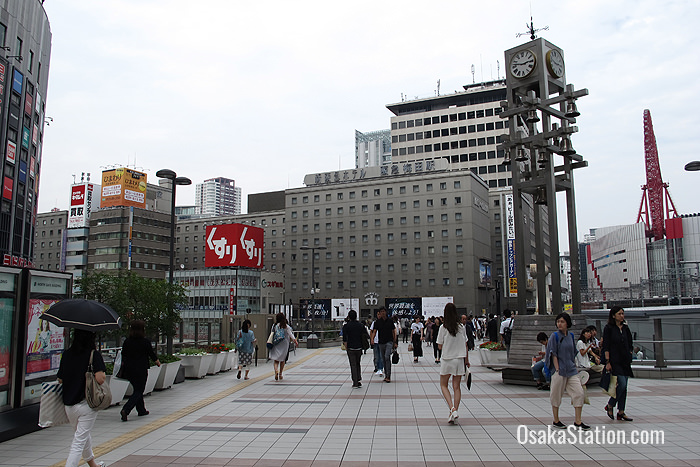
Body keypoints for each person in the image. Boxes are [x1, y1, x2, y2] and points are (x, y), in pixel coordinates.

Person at [56, 329, 108, 467]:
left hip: (69, 405)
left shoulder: (67, 354)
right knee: (79, 441)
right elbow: (100, 379)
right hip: (87, 404)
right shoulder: (93, 355)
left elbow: (60, 379)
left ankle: (93, 465)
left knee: (82, 436)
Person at [545, 312, 590, 431]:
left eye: (562, 321)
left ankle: (578, 421)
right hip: (559, 370)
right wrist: (557, 368)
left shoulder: (570, 336)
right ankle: (556, 420)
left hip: (571, 369)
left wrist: (575, 366)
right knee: (556, 394)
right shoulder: (554, 336)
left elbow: (573, 352)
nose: (560, 324)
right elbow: (552, 353)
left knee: (579, 393)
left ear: (567, 323)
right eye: (558, 321)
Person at [119, 320, 160, 422]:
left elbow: (123, 354)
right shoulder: (145, 341)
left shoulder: (127, 341)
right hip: (141, 369)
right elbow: (150, 353)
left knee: (137, 389)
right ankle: (126, 409)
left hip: (129, 369)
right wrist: (157, 361)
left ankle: (141, 410)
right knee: (139, 390)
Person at [436, 303, 469, 424]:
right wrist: (467, 360)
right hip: (459, 359)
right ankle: (454, 411)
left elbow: (439, 346)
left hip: (447, 359)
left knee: (443, 385)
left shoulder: (443, 328)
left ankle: (452, 409)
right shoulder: (461, 327)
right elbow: (466, 344)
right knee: (457, 387)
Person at [603, 305, 634, 422]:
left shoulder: (625, 328)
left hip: (625, 360)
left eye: (623, 313)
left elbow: (630, 342)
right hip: (615, 361)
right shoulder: (609, 328)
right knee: (622, 384)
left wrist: (630, 352)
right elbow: (606, 345)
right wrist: (608, 361)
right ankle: (610, 404)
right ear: (613, 315)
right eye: (619, 314)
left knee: (624, 387)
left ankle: (621, 411)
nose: (622, 316)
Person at [342, 309, 369, 388]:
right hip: (359, 347)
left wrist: (346, 347)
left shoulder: (346, 326)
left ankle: (355, 381)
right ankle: (358, 378)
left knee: (353, 364)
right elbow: (365, 335)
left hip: (350, 347)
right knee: (358, 363)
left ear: (349, 317)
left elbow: (344, 339)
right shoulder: (360, 325)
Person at [269, 312, 298, 381]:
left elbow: (272, 333)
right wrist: (295, 341)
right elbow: (290, 334)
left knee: (276, 359)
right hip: (285, 343)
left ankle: (276, 370)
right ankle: (280, 373)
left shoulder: (275, 325)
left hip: (277, 343)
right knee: (283, 359)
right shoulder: (286, 326)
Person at [374, 307, 397, 383]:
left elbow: (393, 331)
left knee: (387, 357)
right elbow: (374, 331)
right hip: (381, 342)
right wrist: (372, 339)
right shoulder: (378, 322)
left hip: (389, 341)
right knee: (383, 359)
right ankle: (386, 374)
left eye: (384, 311)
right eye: (381, 312)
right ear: (379, 313)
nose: (383, 313)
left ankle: (388, 375)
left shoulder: (390, 321)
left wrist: (395, 341)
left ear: (386, 312)